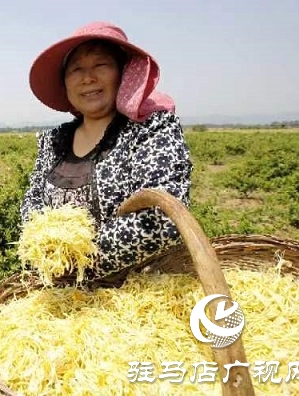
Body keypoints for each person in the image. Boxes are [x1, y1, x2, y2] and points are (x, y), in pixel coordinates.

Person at [21, 21, 193, 279]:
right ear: (65, 83)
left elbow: (163, 218)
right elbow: (31, 203)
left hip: (141, 292)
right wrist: (45, 251)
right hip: (63, 293)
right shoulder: (53, 141)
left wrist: (78, 259)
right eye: (76, 69)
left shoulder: (152, 129)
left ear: (124, 74)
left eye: (100, 65)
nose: (87, 78)